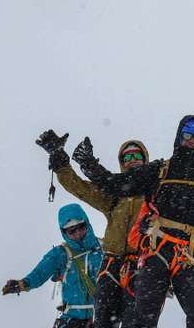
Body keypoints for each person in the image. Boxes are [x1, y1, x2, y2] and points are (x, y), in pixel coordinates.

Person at [72, 115, 194, 328]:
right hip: (156, 253)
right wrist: (88, 164)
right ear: (179, 136)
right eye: (188, 135)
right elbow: (117, 184)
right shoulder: (159, 171)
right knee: (143, 320)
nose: (192, 141)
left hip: (188, 256)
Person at [36, 130, 150, 328]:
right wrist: (60, 161)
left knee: (136, 321)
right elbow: (79, 188)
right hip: (112, 266)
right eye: (127, 156)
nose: (132, 160)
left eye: (137, 155)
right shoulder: (116, 197)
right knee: (104, 320)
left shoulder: (155, 195)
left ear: (145, 159)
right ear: (122, 163)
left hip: (142, 266)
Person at [2, 203, 103, 328]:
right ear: (64, 232)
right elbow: (40, 273)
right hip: (73, 320)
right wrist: (23, 284)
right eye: (71, 231)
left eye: (81, 227)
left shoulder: (104, 249)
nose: (77, 233)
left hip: (103, 317)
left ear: (87, 224)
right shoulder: (61, 254)